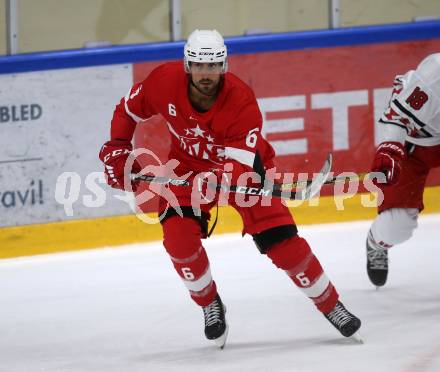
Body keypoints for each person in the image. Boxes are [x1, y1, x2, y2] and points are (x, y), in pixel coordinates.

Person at [99, 29, 361, 347]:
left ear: (223, 65)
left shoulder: (241, 100)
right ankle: (210, 303)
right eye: (199, 65)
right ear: (187, 65)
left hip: (248, 171)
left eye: (213, 66)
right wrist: (117, 148)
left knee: (282, 244)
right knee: (179, 241)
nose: (206, 74)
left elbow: (238, 168)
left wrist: (212, 181)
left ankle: (331, 305)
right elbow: (127, 111)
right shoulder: (162, 82)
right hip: (186, 169)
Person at [367, 53, 440, 288]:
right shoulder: (435, 74)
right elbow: (396, 119)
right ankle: (376, 242)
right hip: (415, 143)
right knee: (396, 227)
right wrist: (389, 149)